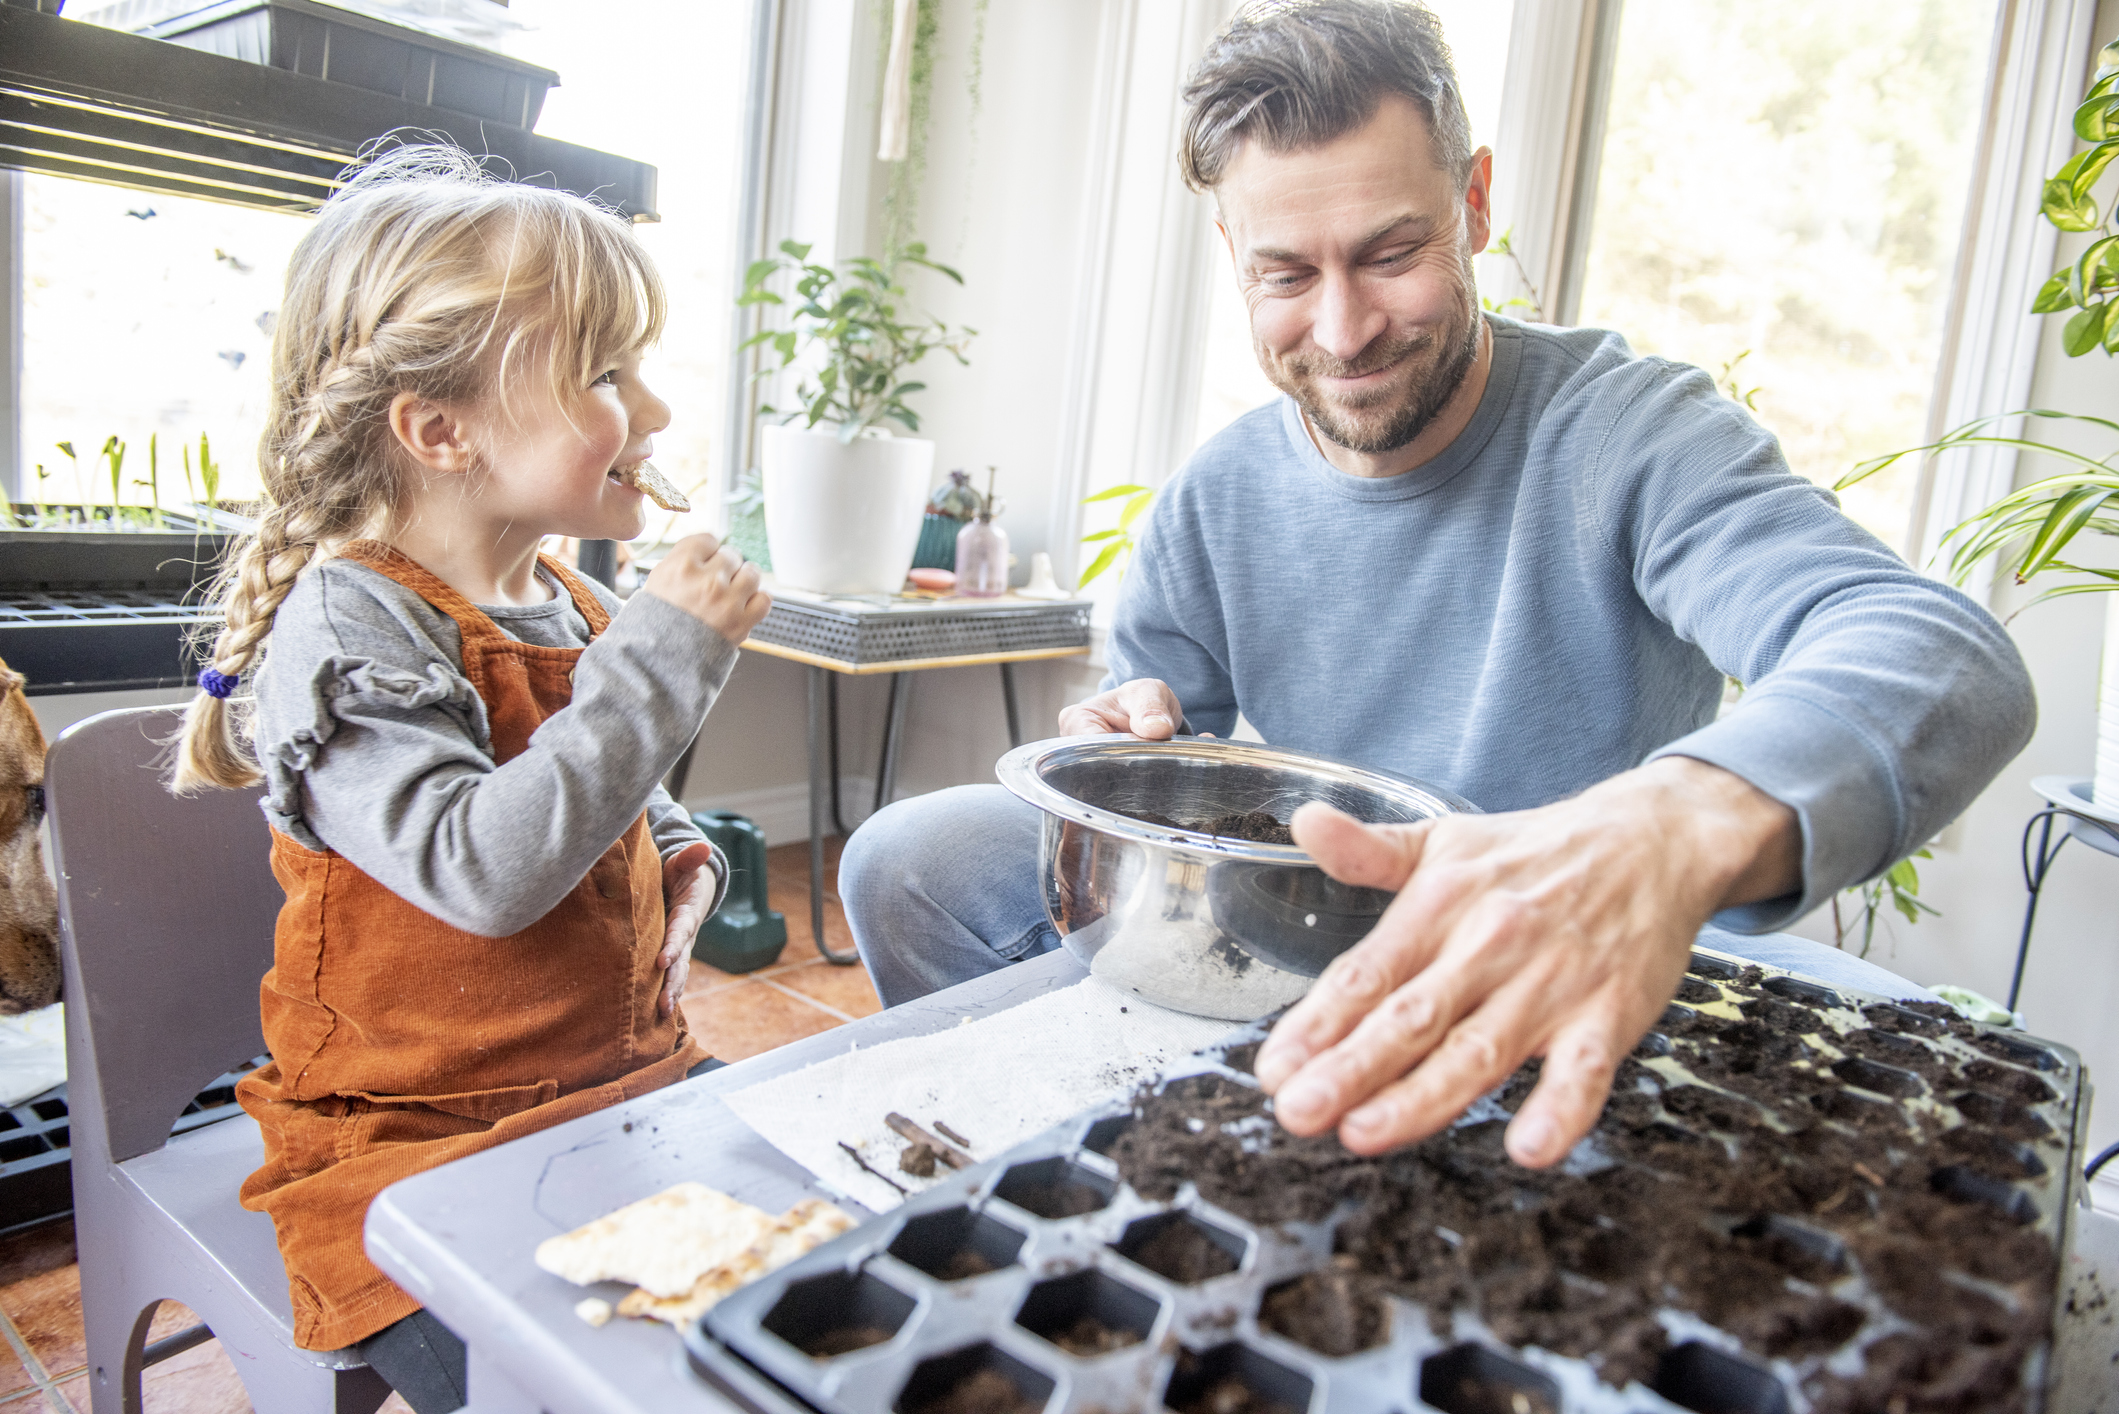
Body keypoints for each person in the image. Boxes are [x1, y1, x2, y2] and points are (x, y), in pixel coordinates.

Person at [841, 0, 2033, 1177]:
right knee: (912, 857)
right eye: (1286, 273)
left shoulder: (1633, 432)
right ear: (1232, 256)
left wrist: (1662, 827)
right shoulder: (1216, 497)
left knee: (1957, 1064)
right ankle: (1123, 1170)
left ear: (1473, 203)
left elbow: (1936, 651)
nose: (1344, 329)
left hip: (1590, 963)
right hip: (1312, 933)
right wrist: (1124, 743)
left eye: (1390, 253)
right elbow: (1162, 748)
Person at [171, 145, 769, 1413]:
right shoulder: (348, 633)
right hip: (415, 1147)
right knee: (585, 1383)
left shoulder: (569, 595)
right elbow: (482, 870)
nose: (653, 414)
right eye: (606, 374)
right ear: (440, 430)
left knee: (809, 1271)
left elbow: (612, 791)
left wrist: (680, 859)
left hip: (616, 1087)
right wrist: (666, 656)